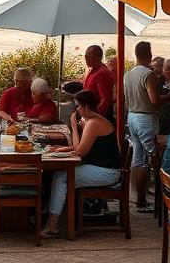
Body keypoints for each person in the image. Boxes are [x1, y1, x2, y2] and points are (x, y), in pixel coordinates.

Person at [43, 90, 121, 237]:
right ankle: (48, 217)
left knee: (61, 178)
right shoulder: (87, 120)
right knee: (57, 175)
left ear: (86, 106)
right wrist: (59, 149)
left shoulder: (94, 123)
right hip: (97, 167)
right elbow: (81, 147)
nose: (75, 110)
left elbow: (80, 151)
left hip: (108, 172)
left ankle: (52, 225)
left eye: (77, 106)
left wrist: (73, 127)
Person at [123, 41, 170, 211]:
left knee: (138, 158)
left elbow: (126, 99)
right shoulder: (148, 75)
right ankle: (151, 201)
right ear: (149, 55)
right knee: (151, 158)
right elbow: (154, 99)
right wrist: (168, 97)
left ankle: (139, 198)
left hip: (132, 116)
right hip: (145, 118)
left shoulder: (127, 74)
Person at [82, 44, 115, 120]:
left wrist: (93, 116)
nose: (86, 59)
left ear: (95, 57)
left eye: (88, 56)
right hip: (90, 115)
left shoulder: (102, 73)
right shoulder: (93, 70)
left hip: (98, 118)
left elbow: (106, 101)